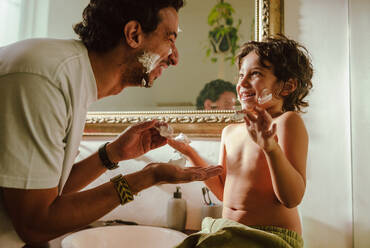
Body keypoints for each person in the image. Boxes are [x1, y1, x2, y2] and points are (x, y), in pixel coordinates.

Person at [0, 0, 223, 247]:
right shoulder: (46, 80)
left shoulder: (70, 77)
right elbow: (35, 224)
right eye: (170, 39)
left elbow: (49, 191)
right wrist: (146, 178)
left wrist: (112, 154)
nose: (175, 58)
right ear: (133, 34)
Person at [168, 35, 313, 248]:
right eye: (241, 75)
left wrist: (270, 148)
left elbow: (291, 198)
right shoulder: (230, 132)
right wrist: (189, 153)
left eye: (255, 74)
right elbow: (223, 193)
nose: (242, 83)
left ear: (288, 86)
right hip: (228, 232)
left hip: (268, 237)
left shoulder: (286, 123)